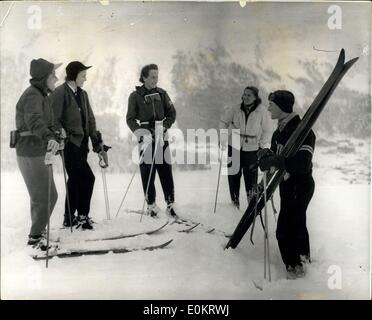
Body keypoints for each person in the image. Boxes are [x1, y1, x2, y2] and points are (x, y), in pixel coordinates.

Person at [257, 90, 315, 279]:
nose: (268, 108)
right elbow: (274, 162)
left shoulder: (304, 131)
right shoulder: (277, 133)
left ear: (281, 107)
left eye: (271, 105)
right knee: (297, 222)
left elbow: (303, 164)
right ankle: (303, 258)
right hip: (287, 186)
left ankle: (294, 267)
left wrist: (276, 160)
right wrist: (266, 160)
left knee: (284, 229)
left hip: (301, 185)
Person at [50, 61, 104, 230]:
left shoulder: (83, 94)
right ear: (73, 76)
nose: (85, 78)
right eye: (83, 75)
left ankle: (69, 218)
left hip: (82, 145)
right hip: (69, 145)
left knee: (75, 180)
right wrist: (61, 133)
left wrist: (97, 143)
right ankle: (82, 216)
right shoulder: (60, 93)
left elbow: (91, 119)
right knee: (87, 178)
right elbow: (53, 118)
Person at [15, 58, 62, 249]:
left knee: (48, 195)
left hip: (38, 151)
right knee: (43, 196)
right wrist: (48, 137)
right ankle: (35, 238)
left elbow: (46, 123)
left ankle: (39, 231)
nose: (56, 78)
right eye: (53, 75)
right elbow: (34, 121)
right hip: (30, 152)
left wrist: (56, 134)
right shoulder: (33, 96)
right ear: (44, 77)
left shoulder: (42, 96)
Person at [126, 64, 177, 218]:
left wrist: (165, 126)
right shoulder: (135, 96)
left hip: (161, 136)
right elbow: (130, 119)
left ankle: (170, 204)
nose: (156, 79)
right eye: (152, 77)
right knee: (148, 172)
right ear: (144, 77)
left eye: (157, 76)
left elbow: (172, 114)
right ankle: (151, 205)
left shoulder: (162, 94)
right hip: (146, 137)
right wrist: (141, 134)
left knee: (165, 170)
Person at [219, 86, 271, 209]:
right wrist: (223, 135)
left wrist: (262, 144)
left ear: (255, 97)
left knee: (251, 180)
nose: (246, 97)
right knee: (233, 177)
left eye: (249, 95)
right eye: (244, 94)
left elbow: (268, 130)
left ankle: (252, 209)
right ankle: (234, 205)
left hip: (253, 148)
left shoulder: (262, 111)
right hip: (234, 145)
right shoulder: (235, 109)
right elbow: (223, 122)